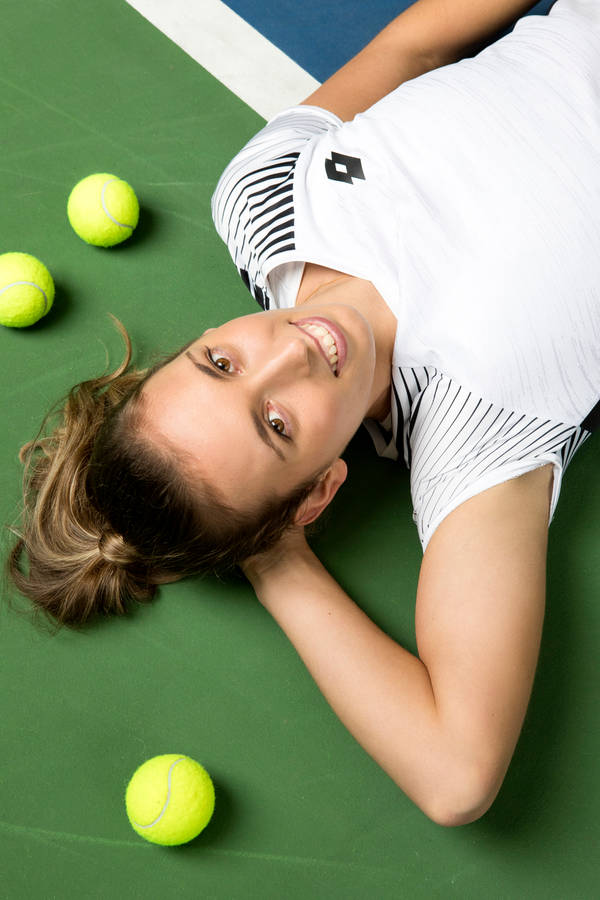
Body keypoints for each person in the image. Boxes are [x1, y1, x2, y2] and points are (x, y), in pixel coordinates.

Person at [5, 0, 600, 826]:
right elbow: (457, 775)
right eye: (276, 425)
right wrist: (276, 562)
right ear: (319, 492)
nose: (290, 353)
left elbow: (415, 46)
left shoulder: (262, 200)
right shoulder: (478, 438)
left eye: (220, 364)